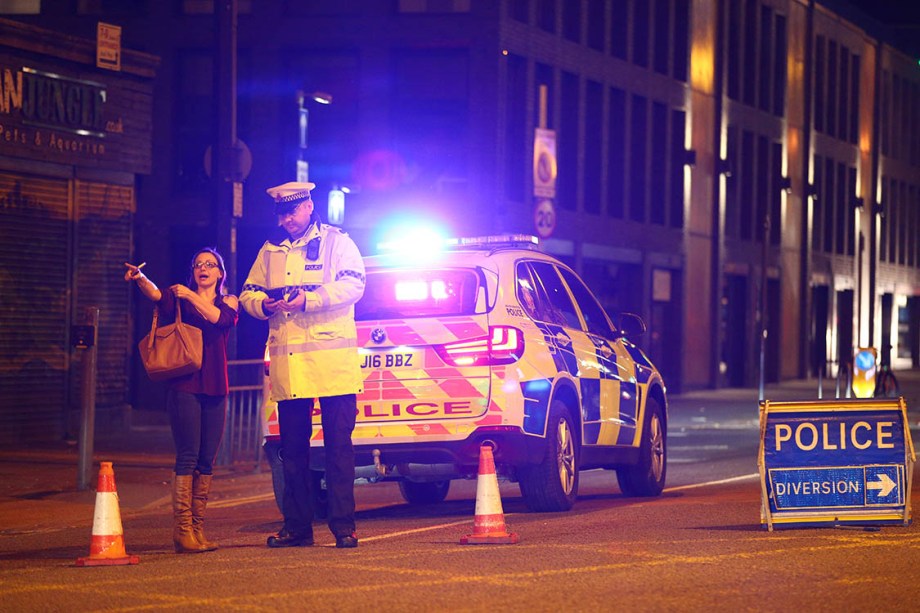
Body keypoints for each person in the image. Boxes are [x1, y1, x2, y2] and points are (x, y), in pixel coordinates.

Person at [240, 181, 365, 549]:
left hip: (332, 366)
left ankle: (344, 527)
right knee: (292, 451)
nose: (286, 220)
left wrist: (308, 300)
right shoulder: (271, 249)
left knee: (338, 449)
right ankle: (297, 527)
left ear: (309, 206)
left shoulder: (337, 242)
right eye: (281, 214)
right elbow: (249, 292)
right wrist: (264, 305)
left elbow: (354, 285)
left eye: (292, 212)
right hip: (290, 367)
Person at [125, 248, 239, 554]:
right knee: (188, 456)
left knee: (207, 460)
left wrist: (190, 295)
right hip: (185, 387)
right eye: (198, 264)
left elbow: (218, 319)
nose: (203, 268)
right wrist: (140, 277)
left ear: (219, 273)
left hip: (216, 388)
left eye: (210, 264)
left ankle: (197, 530)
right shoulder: (179, 298)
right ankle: (182, 531)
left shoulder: (228, 301)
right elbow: (155, 295)